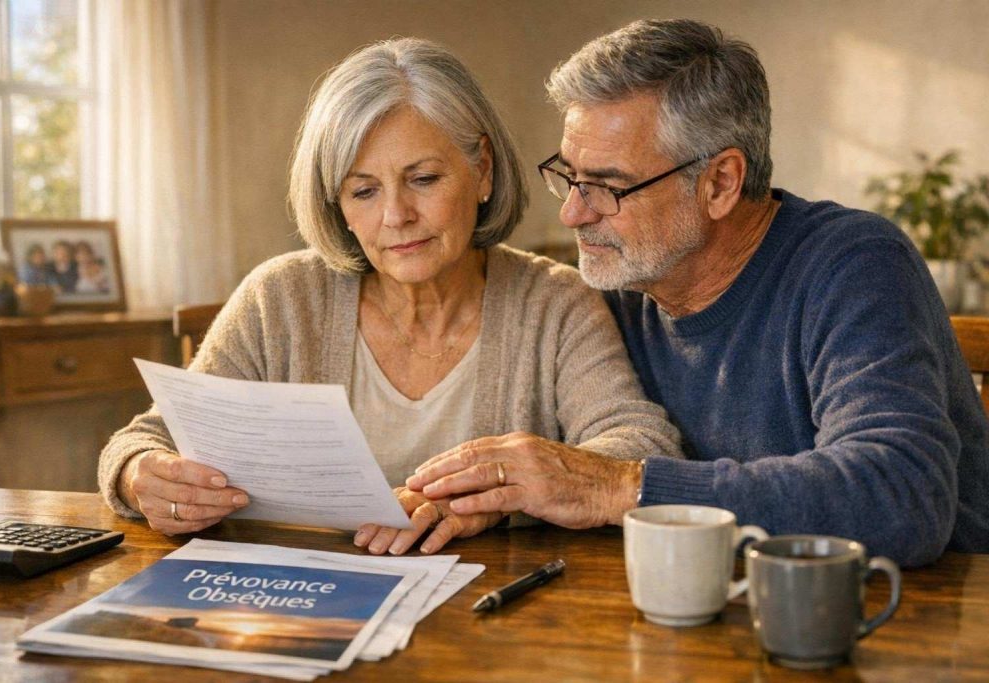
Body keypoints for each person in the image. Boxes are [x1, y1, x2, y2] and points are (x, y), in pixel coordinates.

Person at [406, 19, 989, 567]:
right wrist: (485, 498)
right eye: (569, 176)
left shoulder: (853, 264)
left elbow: (901, 494)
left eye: (607, 186)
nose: (572, 213)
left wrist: (616, 486)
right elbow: (561, 472)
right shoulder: (615, 292)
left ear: (720, 183)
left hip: (916, 611)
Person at [98, 37, 682, 555]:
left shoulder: (554, 302)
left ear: (481, 170)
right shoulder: (280, 298)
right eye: (364, 191)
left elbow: (642, 448)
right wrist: (139, 474)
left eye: (423, 180)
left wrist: (496, 495)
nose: (396, 216)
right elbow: (145, 440)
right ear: (337, 204)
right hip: (294, 609)